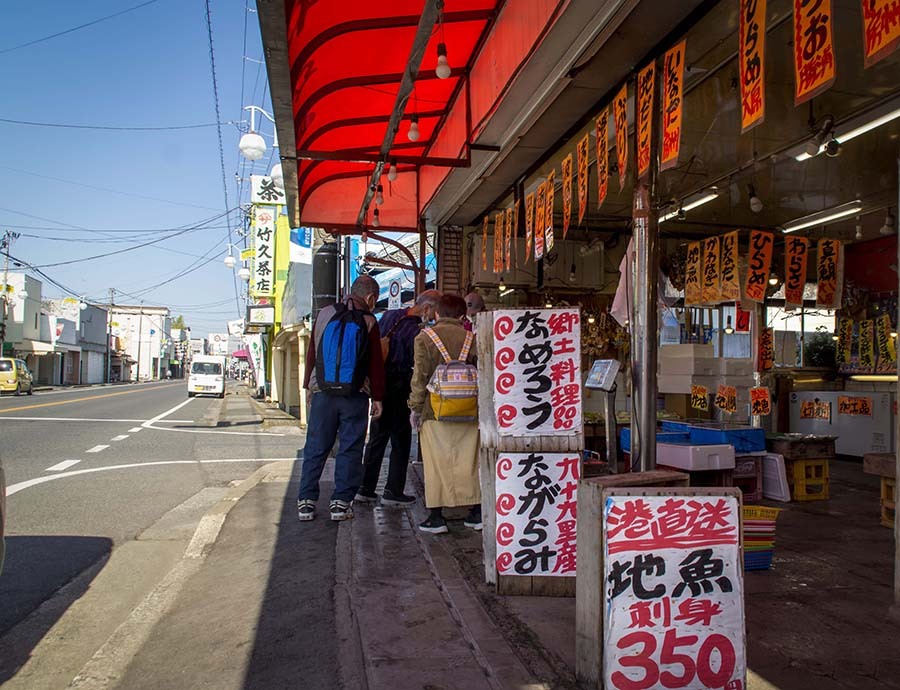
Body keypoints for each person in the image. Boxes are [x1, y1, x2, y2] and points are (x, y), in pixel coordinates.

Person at [297, 275, 385, 522]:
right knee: (350, 448)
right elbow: (375, 364)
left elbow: (313, 353)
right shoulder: (369, 321)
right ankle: (340, 503)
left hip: (323, 392)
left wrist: (308, 388)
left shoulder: (324, 314)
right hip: (354, 395)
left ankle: (306, 501)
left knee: (315, 447)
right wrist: (377, 397)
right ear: (370, 298)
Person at [356, 289, 441, 506]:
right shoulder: (416, 332)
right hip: (400, 387)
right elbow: (411, 363)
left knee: (376, 438)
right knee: (401, 441)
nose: (432, 318)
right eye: (433, 313)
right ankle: (393, 491)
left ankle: (365, 488)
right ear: (427, 308)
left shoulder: (389, 316)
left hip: (380, 386)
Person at [409, 294, 481, 534]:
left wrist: (415, 408)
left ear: (436, 314)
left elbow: (419, 377)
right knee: (468, 460)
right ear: (463, 316)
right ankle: (475, 512)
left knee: (436, 463)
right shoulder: (472, 338)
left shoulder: (424, 338)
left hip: (435, 410)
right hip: (469, 408)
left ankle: (437, 517)